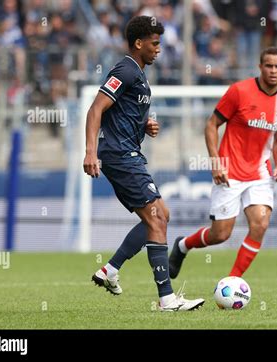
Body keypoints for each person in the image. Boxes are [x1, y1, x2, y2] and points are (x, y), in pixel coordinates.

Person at [83, 16, 204, 311]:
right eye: (155, 43)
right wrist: (89, 151)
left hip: (128, 152)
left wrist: (143, 125)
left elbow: (120, 112)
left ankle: (110, 270)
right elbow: (96, 108)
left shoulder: (138, 73)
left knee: (160, 214)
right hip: (120, 155)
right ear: (139, 44)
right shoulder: (125, 69)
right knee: (156, 218)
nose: (158, 49)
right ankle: (167, 298)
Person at [169, 47, 277, 279]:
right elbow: (211, 125)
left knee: (260, 224)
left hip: (260, 174)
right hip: (229, 173)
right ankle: (183, 245)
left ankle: (233, 282)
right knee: (221, 234)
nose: (273, 71)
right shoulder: (239, 91)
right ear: (260, 67)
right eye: (269, 65)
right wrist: (216, 162)